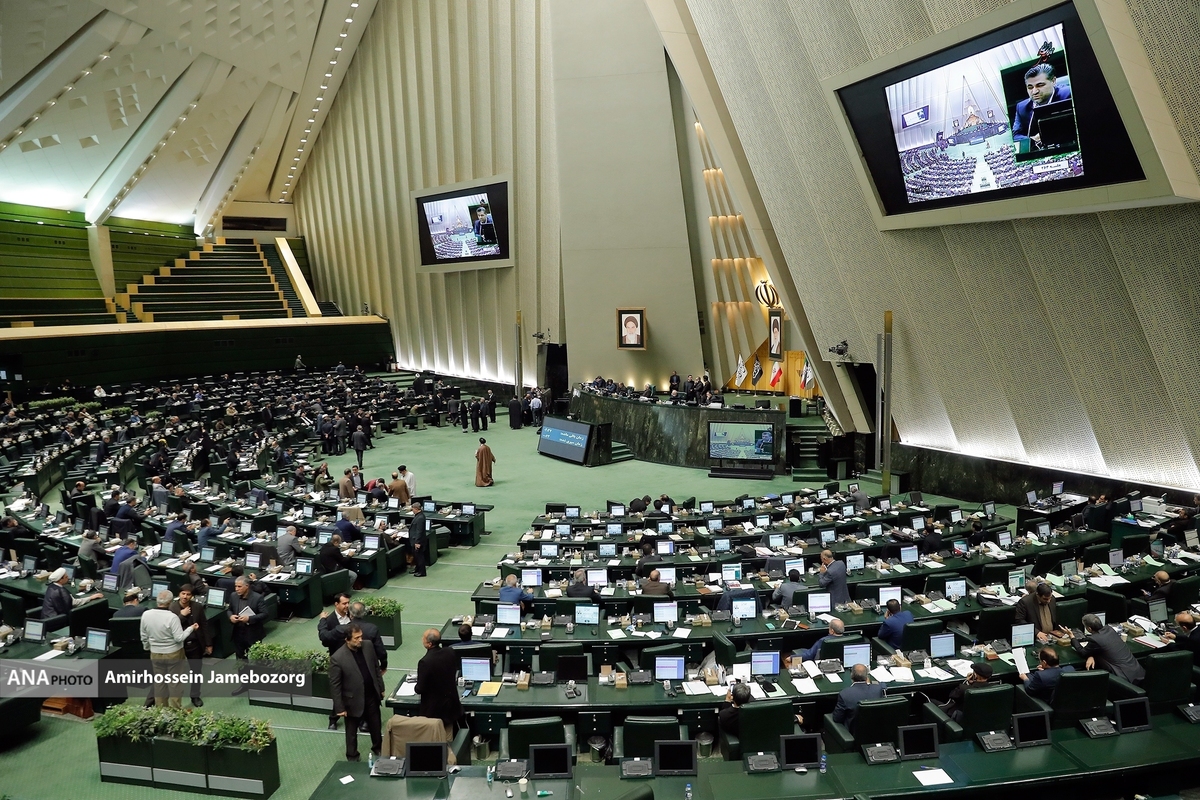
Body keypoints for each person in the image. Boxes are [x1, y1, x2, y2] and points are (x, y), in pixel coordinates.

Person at [330, 624, 385, 762]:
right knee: (351, 731)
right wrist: (340, 707)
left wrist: (381, 687)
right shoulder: (338, 658)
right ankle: (352, 756)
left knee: (375, 725)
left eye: (361, 636)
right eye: (356, 638)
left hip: (371, 694)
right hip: (352, 701)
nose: (360, 640)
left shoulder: (368, 645)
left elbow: (375, 667)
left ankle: (378, 747)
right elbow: (335, 685)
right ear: (347, 640)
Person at [141, 589, 198, 708]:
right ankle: (176, 711)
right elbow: (179, 638)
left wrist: (148, 647)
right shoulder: (172, 617)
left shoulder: (146, 615)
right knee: (175, 683)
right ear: (171, 602)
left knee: (159, 683)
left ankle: (161, 711)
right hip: (174, 654)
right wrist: (191, 628)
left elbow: (144, 636)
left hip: (155, 654)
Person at [1072, 613, 1145, 684]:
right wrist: (1091, 655)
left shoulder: (1095, 639)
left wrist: (1072, 637)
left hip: (1125, 680)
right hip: (1139, 673)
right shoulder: (1110, 629)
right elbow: (1104, 647)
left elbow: (1082, 652)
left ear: (1089, 629)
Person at [1011, 63, 1072, 146]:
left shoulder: (1069, 94)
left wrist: (1049, 135)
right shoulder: (1021, 107)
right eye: (1030, 87)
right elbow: (1015, 136)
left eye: (1040, 85)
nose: (1035, 91)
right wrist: (1032, 140)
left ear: (1053, 81)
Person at [415, 629, 462, 734]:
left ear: (429, 644)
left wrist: (415, 687)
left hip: (434, 710)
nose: (422, 639)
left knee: (435, 738)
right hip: (451, 706)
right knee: (448, 736)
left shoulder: (425, 662)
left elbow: (420, 689)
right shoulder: (450, 652)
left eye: (423, 638)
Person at [171, 585, 211, 707]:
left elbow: (204, 626)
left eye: (188, 594)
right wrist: (182, 615)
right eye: (183, 593)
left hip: (195, 645)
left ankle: (195, 696)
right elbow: (169, 627)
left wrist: (208, 644)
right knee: (176, 674)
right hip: (178, 646)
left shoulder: (197, 607)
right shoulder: (172, 608)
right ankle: (175, 700)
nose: (185, 596)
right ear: (179, 594)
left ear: (192, 596)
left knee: (196, 672)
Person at [227, 576, 268, 693]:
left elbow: (265, 614)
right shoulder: (233, 596)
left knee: (257, 659)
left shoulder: (257, 598)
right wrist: (230, 616)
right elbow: (229, 609)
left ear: (247, 586)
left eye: (239, 586)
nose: (236, 589)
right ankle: (245, 684)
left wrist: (249, 618)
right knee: (241, 660)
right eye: (235, 586)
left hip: (253, 633)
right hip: (238, 633)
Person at [831, 664, 884, 733]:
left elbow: (837, 719)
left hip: (853, 734)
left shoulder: (845, 694)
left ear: (851, 676)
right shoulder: (877, 689)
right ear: (867, 677)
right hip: (876, 732)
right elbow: (882, 686)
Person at [409, 500, 429, 577]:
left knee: (419, 556)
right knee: (416, 556)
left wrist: (417, 542)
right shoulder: (418, 516)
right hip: (414, 540)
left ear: (416, 509)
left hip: (418, 541)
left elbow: (419, 531)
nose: (412, 510)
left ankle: (422, 572)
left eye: (413, 509)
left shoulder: (420, 518)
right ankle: (417, 569)